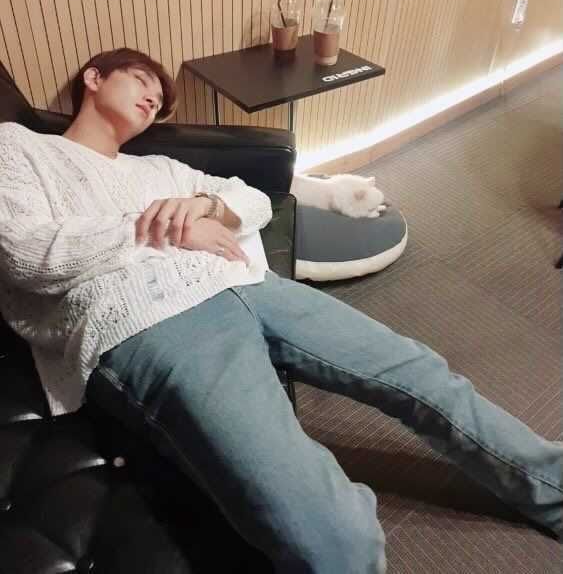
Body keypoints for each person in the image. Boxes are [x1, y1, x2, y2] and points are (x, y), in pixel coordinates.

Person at [0, 47, 560, 574]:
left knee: (422, 374)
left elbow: (253, 200)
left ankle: (553, 488)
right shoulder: (20, 148)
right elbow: (25, 253)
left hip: (248, 284)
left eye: (160, 99)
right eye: (141, 80)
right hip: (149, 320)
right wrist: (169, 229)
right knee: (334, 535)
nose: (153, 99)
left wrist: (207, 206)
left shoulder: (162, 170)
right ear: (94, 78)